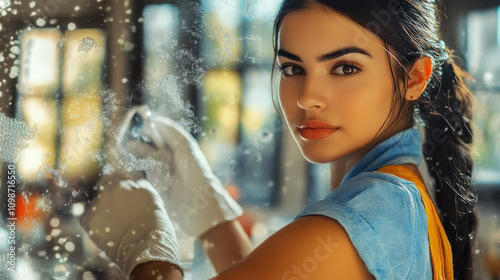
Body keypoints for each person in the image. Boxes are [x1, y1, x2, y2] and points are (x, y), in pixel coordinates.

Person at [81, 0, 478, 279]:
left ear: (415, 77)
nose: (307, 97)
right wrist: (208, 213)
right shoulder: (397, 196)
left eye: (344, 67)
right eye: (292, 68)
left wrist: (148, 255)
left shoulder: (373, 211)